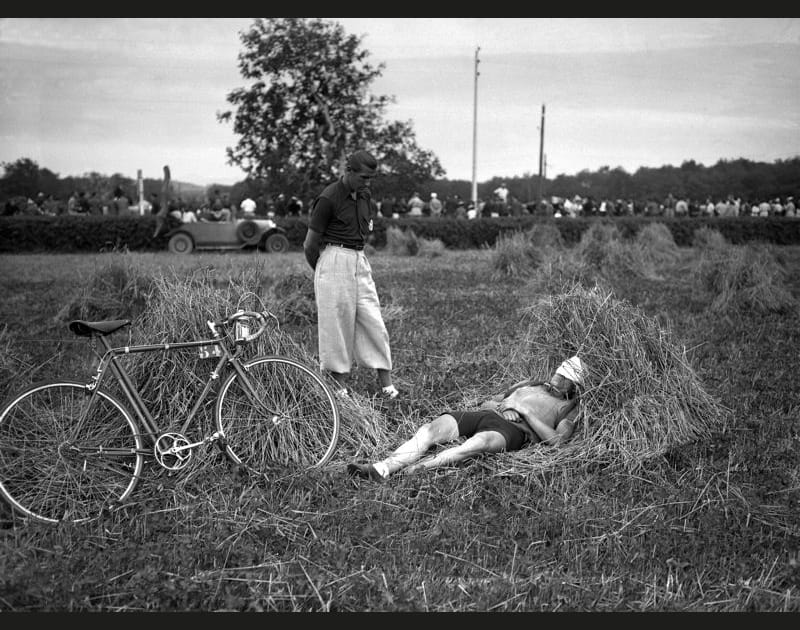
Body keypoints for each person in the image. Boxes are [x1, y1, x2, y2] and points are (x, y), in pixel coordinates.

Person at [347, 356, 586, 481]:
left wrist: (525, 412)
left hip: (513, 432)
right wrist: (504, 406)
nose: (558, 377)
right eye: (559, 372)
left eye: (566, 377)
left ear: (574, 386)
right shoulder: (530, 383)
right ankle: (382, 468)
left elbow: (557, 441)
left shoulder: (569, 408)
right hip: (490, 414)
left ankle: (418, 470)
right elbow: (486, 402)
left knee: (475, 445)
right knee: (429, 430)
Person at [303, 149, 399, 401]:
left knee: (373, 319)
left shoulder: (365, 196)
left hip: (359, 259)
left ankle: (387, 385)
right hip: (334, 259)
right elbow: (309, 245)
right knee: (337, 325)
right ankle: (339, 388)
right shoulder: (328, 199)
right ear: (349, 172)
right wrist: (324, 272)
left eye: (371, 178)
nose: (367, 183)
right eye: (364, 177)